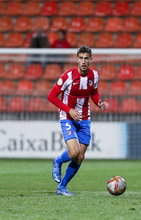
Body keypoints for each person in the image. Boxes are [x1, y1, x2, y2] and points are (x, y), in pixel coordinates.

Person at [47, 45, 107, 196]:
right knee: (74, 152)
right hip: (67, 117)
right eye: (81, 58)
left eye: (86, 58)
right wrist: (69, 110)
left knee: (80, 156)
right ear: (76, 59)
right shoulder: (68, 76)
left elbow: (94, 92)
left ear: (91, 60)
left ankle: (62, 187)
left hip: (85, 118)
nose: (83, 61)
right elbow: (51, 96)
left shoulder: (95, 75)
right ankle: (58, 161)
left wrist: (98, 102)